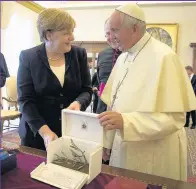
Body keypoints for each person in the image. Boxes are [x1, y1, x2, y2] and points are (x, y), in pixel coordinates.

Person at [98, 3, 196, 181]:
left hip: (154, 152)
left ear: (134, 28)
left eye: (115, 30)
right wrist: (108, 140)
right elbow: (114, 104)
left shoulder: (165, 57)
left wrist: (126, 122)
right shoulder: (122, 58)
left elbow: (175, 119)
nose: (110, 37)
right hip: (124, 146)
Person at [17, 8, 92, 151]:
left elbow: (87, 90)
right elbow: (25, 101)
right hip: (37, 135)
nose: (72, 37)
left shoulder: (79, 54)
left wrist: (78, 102)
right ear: (48, 35)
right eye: (66, 33)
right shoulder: (28, 57)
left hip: (70, 131)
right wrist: (45, 132)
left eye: (72, 31)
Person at [96, 19, 121, 114]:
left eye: (115, 32)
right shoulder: (102, 54)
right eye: (107, 34)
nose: (111, 37)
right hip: (102, 111)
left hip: (123, 114)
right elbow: (100, 81)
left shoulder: (132, 54)